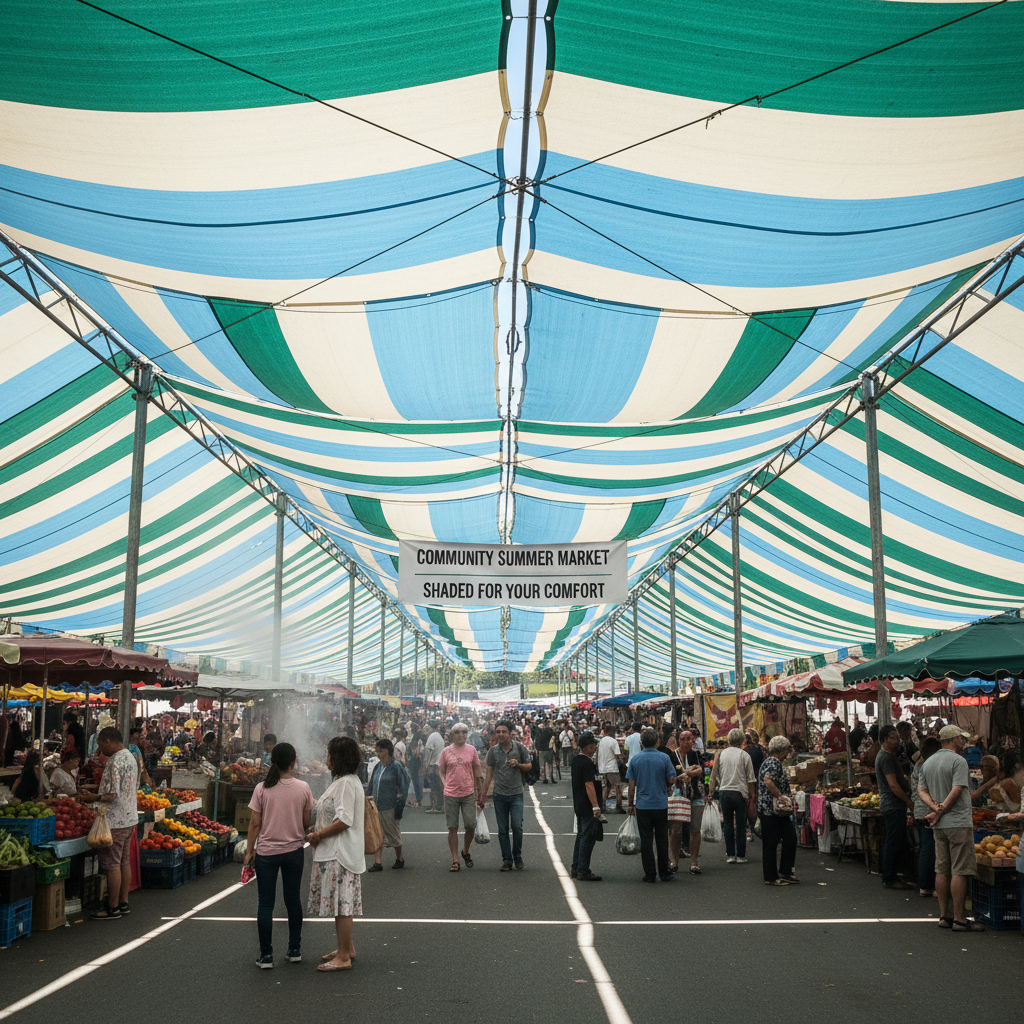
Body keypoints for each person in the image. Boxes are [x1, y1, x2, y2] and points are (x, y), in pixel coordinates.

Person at [244, 742, 314, 967]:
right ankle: (295, 949)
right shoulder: (303, 787)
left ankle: (266, 955)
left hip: (266, 853)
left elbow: (254, 824)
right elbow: (306, 823)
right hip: (294, 851)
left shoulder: (262, 788)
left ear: (272, 762)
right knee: (293, 900)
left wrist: (248, 852)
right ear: (294, 762)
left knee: (266, 903)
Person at [308, 736, 366, 971]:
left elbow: (344, 819)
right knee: (341, 904)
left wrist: (319, 834)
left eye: (330, 754)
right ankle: (346, 948)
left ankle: (343, 957)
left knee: (342, 906)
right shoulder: (347, 781)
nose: (327, 759)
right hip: (340, 852)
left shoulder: (344, 784)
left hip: (339, 853)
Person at [918, 725, 983, 932]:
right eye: (961, 739)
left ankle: (944, 916)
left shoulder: (928, 762)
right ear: (955, 740)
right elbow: (957, 790)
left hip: (939, 825)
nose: (962, 743)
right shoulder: (958, 761)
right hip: (958, 822)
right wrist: (942, 809)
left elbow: (921, 790)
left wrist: (935, 808)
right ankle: (960, 918)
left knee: (942, 869)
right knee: (959, 870)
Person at [86, 727, 140, 919]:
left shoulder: (115, 761)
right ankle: (123, 903)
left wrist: (92, 796)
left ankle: (113, 908)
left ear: (108, 741)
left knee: (111, 865)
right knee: (124, 862)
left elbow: (111, 795)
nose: (100, 750)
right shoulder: (131, 757)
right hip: (129, 817)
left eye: (101, 744)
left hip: (114, 821)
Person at [625, 727, 677, 883]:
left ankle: (649, 874)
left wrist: (630, 805)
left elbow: (631, 786)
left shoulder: (635, 759)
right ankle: (664, 872)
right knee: (662, 839)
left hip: (642, 805)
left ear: (641, 742)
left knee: (646, 840)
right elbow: (672, 779)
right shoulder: (664, 758)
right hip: (660, 804)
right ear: (657, 741)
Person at [483, 720, 529, 872]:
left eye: (503, 732)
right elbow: (489, 772)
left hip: (516, 794)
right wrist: (483, 794)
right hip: (499, 795)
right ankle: (507, 860)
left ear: (510, 733)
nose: (500, 734)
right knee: (502, 829)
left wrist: (518, 764)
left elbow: (529, 766)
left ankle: (517, 855)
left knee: (517, 826)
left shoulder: (520, 748)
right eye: (498, 732)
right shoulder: (493, 751)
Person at [437, 723, 483, 871]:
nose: (461, 734)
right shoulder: (446, 752)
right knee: (452, 827)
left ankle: (465, 851)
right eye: (457, 732)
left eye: (464, 732)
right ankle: (455, 860)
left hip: (468, 793)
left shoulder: (472, 750)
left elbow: (477, 771)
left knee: (470, 825)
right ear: (452, 735)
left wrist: (480, 793)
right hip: (451, 794)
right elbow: (441, 771)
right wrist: (445, 785)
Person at [707, 728, 756, 864]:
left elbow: (714, 775)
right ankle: (740, 855)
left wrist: (710, 792)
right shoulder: (744, 755)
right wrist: (752, 795)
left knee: (728, 824)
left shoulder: (721, 754)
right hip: (740, 793)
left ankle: (730, 855)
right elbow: (750, 778)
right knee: (741, 825)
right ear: (742, 740)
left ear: (729, 740)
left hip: (724, 792)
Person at [875, 724, 915, 890]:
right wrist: (908, 801)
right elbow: (893, 785)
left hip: (892, 805)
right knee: (893, 841)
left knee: (896, 841)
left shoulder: (888, 756)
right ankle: (889, 878)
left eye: (897, 737)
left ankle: (895, 873)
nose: (897, 740)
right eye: (894, 737)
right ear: (885, 739)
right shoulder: (886, 758)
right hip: (893, 805)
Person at [758, 734, 798, 885]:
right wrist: (781, 796)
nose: (787, 754)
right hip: (771, 810)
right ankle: (771, 876)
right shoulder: (773, 762)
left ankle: (786, 871)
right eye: (787, 751)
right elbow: (768, 780)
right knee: (771, 843)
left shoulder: (771, 762)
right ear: (781, 750)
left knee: (790, 838)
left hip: (775, 811)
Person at [367, 739, 409, 871]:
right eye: (377, 751)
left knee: (393, 834)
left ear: (388, 752)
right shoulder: (378, 767)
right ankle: (377, 863)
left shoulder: (396, 767)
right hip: (376, 806)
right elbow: (371, 785)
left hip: (390, 805)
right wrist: (367, 799)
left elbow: (404, 786)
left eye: (381, 751)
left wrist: (399, 807)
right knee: (377, 834)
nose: (378, 754)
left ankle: (399, 858)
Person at [910, 737, 941, 898]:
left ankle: (924, 886)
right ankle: (933, 886)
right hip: (931, 810)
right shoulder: (933, 766)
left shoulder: (918, 765)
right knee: (933, 850)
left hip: (920, 811)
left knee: (925, 848)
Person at [570, 732, 603, 881]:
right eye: (592, 746)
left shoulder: (577, 760)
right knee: (587, 838)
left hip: (579, 803)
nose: (595, 748)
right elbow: (589, 784)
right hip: (588, 804)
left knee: (581, 836)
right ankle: (583, 869)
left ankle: (576, 867)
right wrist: (596, 806)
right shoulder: (586, 763)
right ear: (585, 747)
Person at [597, 722, 625, 814]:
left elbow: (597, 754)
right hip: (612, 768)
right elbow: (618, 755)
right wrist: (624, 762)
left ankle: (602, 806)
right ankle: (619, 806)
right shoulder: (613, 741)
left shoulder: (601, 741)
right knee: (618, 787)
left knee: (606, 787)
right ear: (613, 732)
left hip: (602, 768)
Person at [422, 722, 445, 813]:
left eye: (426, 730)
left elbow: (429, 752)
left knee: (434, 786)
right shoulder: (439, 736)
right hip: (438, 764)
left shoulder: (432, 737)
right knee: (438, 786)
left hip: (433, 765)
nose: (425, 732)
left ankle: (435, 806)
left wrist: (426, 766)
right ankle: (438, 805)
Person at [536, 719, 556, 784]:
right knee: (550, 764)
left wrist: (537, 748)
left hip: (542, 749)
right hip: (549, 749)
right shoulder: (550, 731)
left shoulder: (540, 732)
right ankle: (551, 777)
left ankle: (544, 778)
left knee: (542, 764)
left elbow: (538, 740)